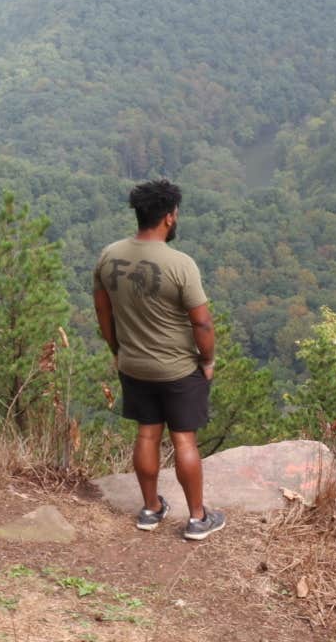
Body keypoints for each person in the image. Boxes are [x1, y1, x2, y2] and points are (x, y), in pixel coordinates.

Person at [93, 178, 225, 540]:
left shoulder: (110, 255)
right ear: (169, 217)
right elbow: (201, 321)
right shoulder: (180, 265)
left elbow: (102, 311)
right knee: (184, 440)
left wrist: (117, 350)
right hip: (178, 368)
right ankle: (198, 518)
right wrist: (208, 360)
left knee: (147, 435)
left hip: (134, 364)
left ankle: (150, 509)